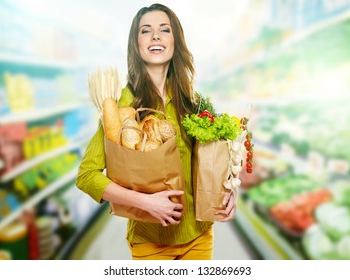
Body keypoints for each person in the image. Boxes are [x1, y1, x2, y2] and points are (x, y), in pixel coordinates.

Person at [76, 3, 237, 260]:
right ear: (136, 44)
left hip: (199, 236)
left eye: (164, 29)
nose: (155, 36)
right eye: (145, 31)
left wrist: (228, 190)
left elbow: (208, 162)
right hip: (150, 243)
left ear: (175, 41)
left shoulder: (192, 101)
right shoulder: (120, 106)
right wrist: (146, 203)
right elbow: (87, 176)